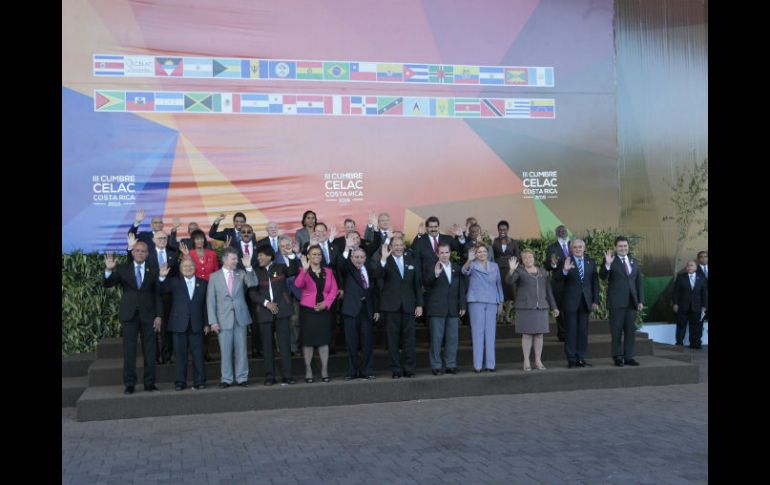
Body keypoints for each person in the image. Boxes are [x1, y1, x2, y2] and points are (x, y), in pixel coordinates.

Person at [103, 242, 162, 394]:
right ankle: (130, 384)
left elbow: (157, 295)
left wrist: (159, 316)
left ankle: (149, 383)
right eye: (138, 250)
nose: (140, 253)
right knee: (129, 351)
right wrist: (109, 270)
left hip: (149, 316)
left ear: (147, 254)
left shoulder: (154, 270)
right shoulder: (123, 269)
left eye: (143, 251)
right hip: (129, 315)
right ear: (132, 252)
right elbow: (108, 284)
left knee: (150, 350)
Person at [206, 247, 258, 388]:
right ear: (224, 259)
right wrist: (212, 321)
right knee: (225, 351)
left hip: (240, 317)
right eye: (233, 258)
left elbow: (253, 283)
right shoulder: (214, 277)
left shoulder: (241, 273)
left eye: (236, 258)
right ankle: (226, 379)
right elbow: (210, 301)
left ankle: (242, 378)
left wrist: (248, 267)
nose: (236, 261)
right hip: (222, 320)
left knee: (241, 350)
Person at [373, 237, 423, 378]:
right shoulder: (385, 261)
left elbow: (417, 285)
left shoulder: (411, 260)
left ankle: (409, 368)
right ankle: (396, 369)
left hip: (409, 306)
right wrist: (382, 259)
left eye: (401, 245)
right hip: (391, 307)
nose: (399, 247)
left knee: (409, 339)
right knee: (392, 340)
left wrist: (419, 304)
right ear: (391, 247)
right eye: (396, 245)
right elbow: (377, 276)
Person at [250, 245, 300, 385]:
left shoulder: (280, 267)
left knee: (284, 345)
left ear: (269, 256)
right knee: (267, 346)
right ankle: (270, 377)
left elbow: (293, 270)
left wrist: (291, 255)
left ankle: (288, 376)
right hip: (264, 312)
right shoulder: (255, 271)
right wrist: (266, 303)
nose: (258, 258)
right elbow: (252, 292)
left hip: (282, 311)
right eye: (258, 255)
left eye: (261, 255)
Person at [128, 230, 179, 365]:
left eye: (164, 238)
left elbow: (176, 276)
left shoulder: (173, 255)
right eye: (159, 238)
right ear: (154, 240)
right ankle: (155, 357)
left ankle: (167, 356)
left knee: (167, 327)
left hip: (168, 296)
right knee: (152, 328)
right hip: (151, 295)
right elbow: (132, 262)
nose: (162, 240)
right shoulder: (146, 255)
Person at [159, 257, 209, 390]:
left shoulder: (203, 283)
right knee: (180, 356)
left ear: (195, 267)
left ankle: (200, 381)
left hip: (197, 323)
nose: (188, 268)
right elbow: (162, 290)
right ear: (180, 269)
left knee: (198, 354)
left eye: (191, 266)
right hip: (178, 324)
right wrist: (162, 277)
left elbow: (205, 305)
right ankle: (180, 382)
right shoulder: (174, 282)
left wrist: (206, 323)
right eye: (185, 266)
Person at [505, 250, 559, 371]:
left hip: (541, 307)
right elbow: (509, 281)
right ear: (522, 260)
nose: (528, 259)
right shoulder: (519, 271)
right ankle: (526, 361)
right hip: (525, 308)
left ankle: (538, 360)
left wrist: (554, 306)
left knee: (539, 335)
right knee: (527, 335)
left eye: (530, 257)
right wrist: (511, 270)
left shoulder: (543, 272)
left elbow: (548, 291)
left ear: (534, 258)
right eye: (525, 258)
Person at [294, 246, 338, 383]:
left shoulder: (328, 271)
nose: (317, 256)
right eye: (314, 254)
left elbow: (334, 289)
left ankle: (324, 370)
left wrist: (326, 303)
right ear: (308, 256)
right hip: (308, 310)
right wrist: (305, 270)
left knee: (323, 341)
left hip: (324, 310)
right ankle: (308, 371)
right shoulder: (303, 271)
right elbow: (298, 284)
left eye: (319, 254)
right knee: (308, 342)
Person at [337, 241, 379, 380]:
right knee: (351, 343)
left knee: (367, 343)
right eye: (356, 257)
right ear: (351, 258)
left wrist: (376, 310)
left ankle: (366, 371)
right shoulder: (347, 269)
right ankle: (352, 371)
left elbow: (375, 291)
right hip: (351, 311)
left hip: (367, 311)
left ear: (365, 258)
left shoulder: (370, 269)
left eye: (361, 257)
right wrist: (347, 248)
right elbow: (340, 265)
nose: (359, 259)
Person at [600, 236, 645, 367]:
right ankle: (618, 357)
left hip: (632, 303)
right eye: (620, 246)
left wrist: (640, 300)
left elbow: (639, 283)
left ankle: (629, 357)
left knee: (630, 332)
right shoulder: (611, 261)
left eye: (625, 246)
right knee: (616, 332)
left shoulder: (634, 261)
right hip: (616, 303)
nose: (623, 248)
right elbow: (602, 276)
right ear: (616, 247)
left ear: (628, 247)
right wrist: (607, 265)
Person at [423, 242, 466, 375]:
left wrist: (462, 305)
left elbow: (461, 288)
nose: (444, 255)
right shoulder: (431, 267)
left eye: (446, 252)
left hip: (453, 308)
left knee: (453, 338)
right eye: (441, 252)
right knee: (436, 339)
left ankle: (450, 365)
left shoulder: (457, 268)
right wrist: (435, 275)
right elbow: (425, 284)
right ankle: (436, 366)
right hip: (437, 308)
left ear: (450, 253)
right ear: (437, 254)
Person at [555, 239, 599, 368]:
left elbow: (595, 283)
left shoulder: (591, 262)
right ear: (571, 249)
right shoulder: (565, 261)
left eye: (580, 247)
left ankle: (581, 358)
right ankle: (571, 359)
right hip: (570, 302)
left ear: (584, 248)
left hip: (586, 302)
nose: (578, 249)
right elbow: (557, 280)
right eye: (575, 247)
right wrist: (565, 271)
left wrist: (595, 300)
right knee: (570, 332)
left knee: (583, 332)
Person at [462, 244, 504, 372]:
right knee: (477, 333)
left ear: (488, 252)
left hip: (492, 301)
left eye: (484, 251)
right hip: (476, 301)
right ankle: (478, 365)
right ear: (475, 253)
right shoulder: (472, 265)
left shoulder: (494, 266)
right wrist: (469, 259)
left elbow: (499, 285)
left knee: (490, 333)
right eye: (479, 252)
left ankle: (490, 365)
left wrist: (500, 301)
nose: (482, 254)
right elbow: (464, 271)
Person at [179, 229, 219, 361]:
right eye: (196, 239)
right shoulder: (189, 253)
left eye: (201, 238)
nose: (199, 241)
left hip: (210, 290)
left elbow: (216, 272)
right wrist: (185, 256)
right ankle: (194, 352)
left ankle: (206, 351)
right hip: (194, 291)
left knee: (208, 319)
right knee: (196, 319)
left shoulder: (211, 254)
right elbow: (185, 269)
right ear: (193, 241)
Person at [234, 224, 261, 358]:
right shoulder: (233, 248)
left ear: (252, 233)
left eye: (248, 232)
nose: (246, 234)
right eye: (243, 232)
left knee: (256, 320)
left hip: (256, 288)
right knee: (240, 320)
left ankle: (256, 349)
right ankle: (241, 352)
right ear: (240, 234)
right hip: (239, 289)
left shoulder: (259, 247)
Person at [274, 235, 302, 354]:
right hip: (281, 294)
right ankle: (283, 348)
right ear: (279, 247)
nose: (286, 248)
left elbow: (302, 271)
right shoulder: (274, 258)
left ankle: (294, 347)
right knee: (282, 323)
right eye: (283, 246)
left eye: (288, 245)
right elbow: (274, 276)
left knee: (296, 321)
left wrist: (293, 256)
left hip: (296, 293)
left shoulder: (296, 257)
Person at [544, 225, 571, 341]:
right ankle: (562, 333)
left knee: (572, 308)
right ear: (557, 233)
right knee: (560, 309)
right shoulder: (551, 248)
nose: (562, 232)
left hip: (573, 282)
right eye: (560, 231)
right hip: (558, 282)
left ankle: (572, 332)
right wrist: (553, 264)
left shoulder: (575, 245)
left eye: (564, 230)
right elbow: (547, 266)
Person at [672, 260, 708, 349]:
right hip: (682, 306)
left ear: (696, 267)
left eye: (691, 265)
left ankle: (695, 344)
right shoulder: (681, 277)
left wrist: (704, 306)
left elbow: (705, 293)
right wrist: (675, 303)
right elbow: (675, 292)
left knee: (696, 326)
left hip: (697, 307)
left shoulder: (702, 278)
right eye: (687, 265)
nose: (689, 267)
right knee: (681, 326)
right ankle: (679, 343)